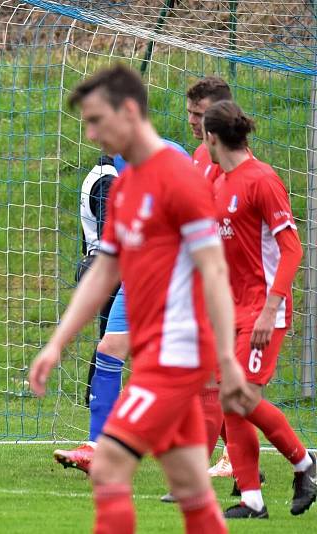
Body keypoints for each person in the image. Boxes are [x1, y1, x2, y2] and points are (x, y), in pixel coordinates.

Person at [29, 64, 254, 534]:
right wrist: (57, 343)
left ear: (129, 111)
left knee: (109, 465)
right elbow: (104, 271)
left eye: (96, 121)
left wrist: (228, 364)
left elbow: (213, 268)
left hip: (179, 354)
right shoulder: (127, 186)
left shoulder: (180, 177)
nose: (90, 134)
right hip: (157, 351)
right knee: (192, 491)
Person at [204, 100, 316, 518]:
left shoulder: (262, 180)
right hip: (231, 311)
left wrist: (270, 310)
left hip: (263, 310)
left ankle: (304, 463)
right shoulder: (218, 181)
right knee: (230, 400)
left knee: (241, 395)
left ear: (212, 138)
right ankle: (251, 498)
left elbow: (292, 249)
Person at [55, 141, 189, 474]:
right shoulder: (113, 167)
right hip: (135, 273)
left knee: (182, 366)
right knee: (109, 348)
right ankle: (96, 446)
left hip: (171, 269)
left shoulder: (169, 157)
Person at [185, 77, 239, 479]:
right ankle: (230, 453)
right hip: (204, 279)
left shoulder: (231, 164)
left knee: (221, 376)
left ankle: (229, 457)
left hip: (231, 285)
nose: (192, 121)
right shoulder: (199, 155)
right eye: (189, 113)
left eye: (200, 115)